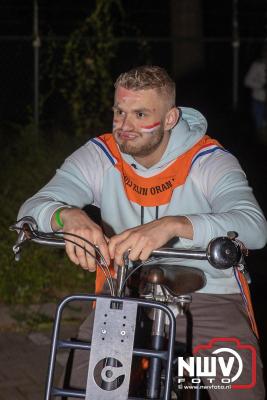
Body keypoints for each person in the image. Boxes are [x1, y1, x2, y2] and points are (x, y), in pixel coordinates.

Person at [18, 65, 267, 399]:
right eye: (119, 112)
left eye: (139, 114)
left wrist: (174, 224)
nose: (124, 126)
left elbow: (254, 226)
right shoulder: (101, 155)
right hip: (124, 293)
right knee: (86, 390)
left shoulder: (208, 160)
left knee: (238, 389)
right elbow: (33, 208)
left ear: (169, 118)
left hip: (209, 295)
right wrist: (66, 217)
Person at [244, 51, 267, 144]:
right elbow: (247, 81)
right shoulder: (257, 65)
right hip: (259, 100)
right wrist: (261, 85)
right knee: (260, 128)